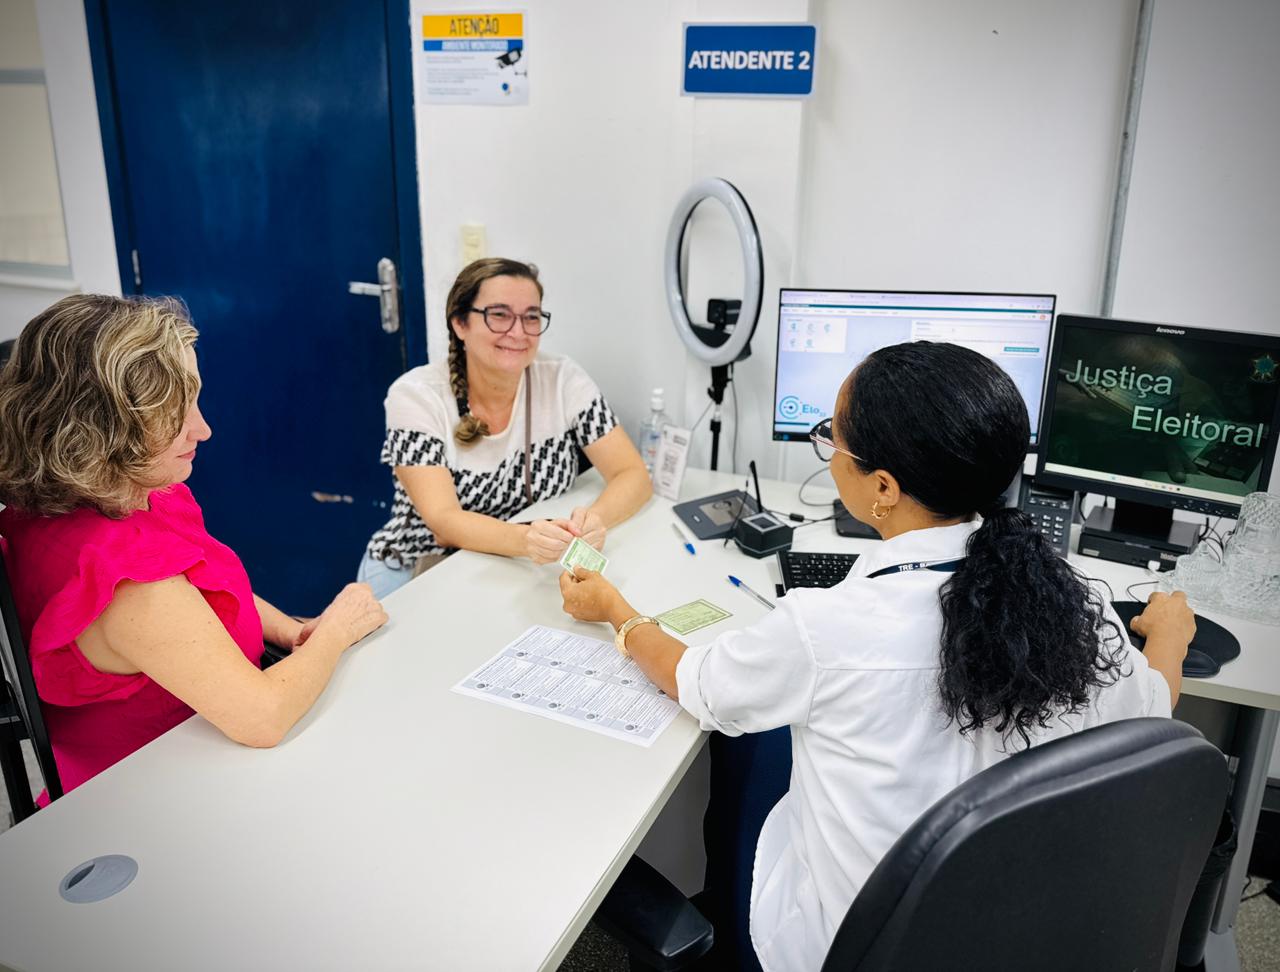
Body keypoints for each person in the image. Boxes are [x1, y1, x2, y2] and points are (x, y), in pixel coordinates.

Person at [558, 341, 1194, 972]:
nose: (829, 454)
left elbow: (695, 682)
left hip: (854, 949)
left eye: (832, 441)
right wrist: (1169, 635)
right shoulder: (1075, 600)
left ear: (883, 487)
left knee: (749, 745)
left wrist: (617, 610)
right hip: (1016, 937)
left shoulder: (825, 627)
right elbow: (1154, 714)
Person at [0, 294, 387, 798]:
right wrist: (337, 628)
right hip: (164, 796)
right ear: (101, 427)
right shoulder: (131, 584)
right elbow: (262, 717)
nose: (203, 429)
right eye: (173, 415)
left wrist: (288, 630)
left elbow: (204, 585)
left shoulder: (98, 494)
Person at [359, 257, 651, 597]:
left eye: (531, 317)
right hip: (419, 566)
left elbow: (632, 473)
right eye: (499, 315)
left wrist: (594, 522)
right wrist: (527, 540)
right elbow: (443, 522)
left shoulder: (561, 377)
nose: (518, 332)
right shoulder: (416, 396)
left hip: (514, 569)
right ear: (460, 323)